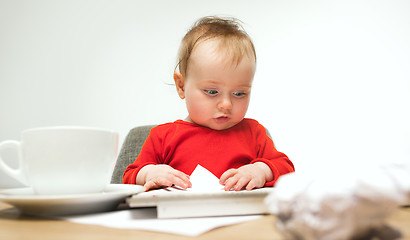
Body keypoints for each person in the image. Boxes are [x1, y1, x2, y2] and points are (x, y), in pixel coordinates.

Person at [123, 16, 294, 191]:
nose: (226, 104)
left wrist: (260, 170)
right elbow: (129, 176)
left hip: (242, 215)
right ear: (181, 86)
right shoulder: (162, 137)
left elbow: (287, 169)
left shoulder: (254, 133)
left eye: (239, 93)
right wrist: (150, 173)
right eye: (212, 92)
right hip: (180, 216)